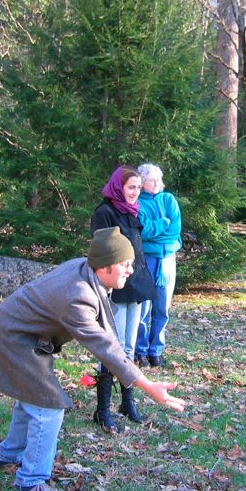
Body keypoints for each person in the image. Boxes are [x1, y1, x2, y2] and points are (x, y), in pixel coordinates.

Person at [0, 227, 186, 491]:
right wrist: (148, 385)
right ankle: (31, 481)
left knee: (32, 400)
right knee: (48, 406)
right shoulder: (77, 296)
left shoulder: (84, 267)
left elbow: (106, 333)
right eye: (125, 265)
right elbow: (105, 347)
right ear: (105, 267)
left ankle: (10, 455)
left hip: (21, 336)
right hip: (12, 340)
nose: (131, 270)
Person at [90, 166, 157, 431]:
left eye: (139, 188)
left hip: (136, 285)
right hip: (115, 287)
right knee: (111, 348)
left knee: (128, 348)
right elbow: (101, 252)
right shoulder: (104, 212)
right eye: (131, 187)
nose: (135, 192)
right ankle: (102, 409)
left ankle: (126, 402)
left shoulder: (134, 210)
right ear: (119, 186)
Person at [135, 163, 182, 369]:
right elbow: (143, 232)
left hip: (167, 261)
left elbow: (175, 229)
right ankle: (141, 351)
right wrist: (162, 223)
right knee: (144, 308)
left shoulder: (169, 199)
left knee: (162, 308)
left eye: (157, 179)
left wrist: (158, 230)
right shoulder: (138, 203)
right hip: (147, 260)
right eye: (151, 179)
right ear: (142, 182)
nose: (155, 183)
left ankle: (156, 351)